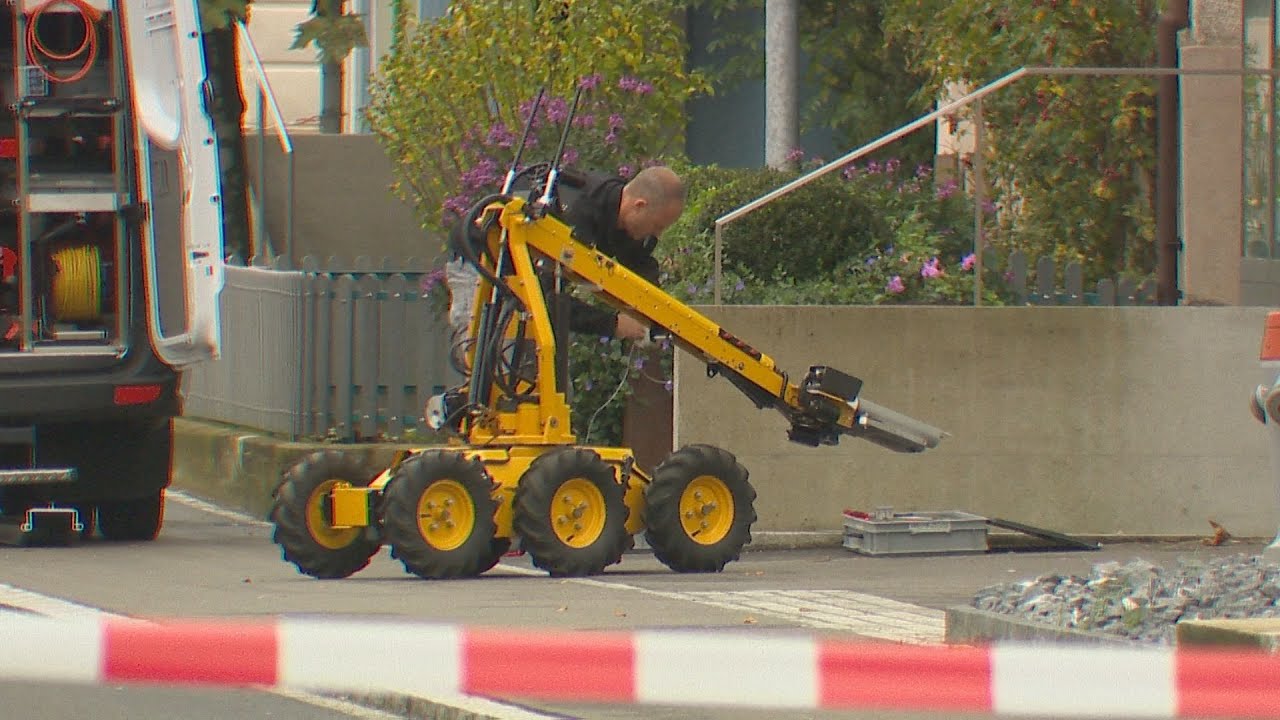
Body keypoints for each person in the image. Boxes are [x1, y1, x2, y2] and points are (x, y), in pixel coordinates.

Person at [445, 165, 685, 342]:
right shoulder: (576, 216)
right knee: (493, 367)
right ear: (639, 206)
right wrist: (613, 324)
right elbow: (545, 300)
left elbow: (640, 266)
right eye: (657, 226)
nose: (655, 235)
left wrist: (662, 318)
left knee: (546, 381)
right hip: (482, 264)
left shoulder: (621, 214)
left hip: (528, 279)